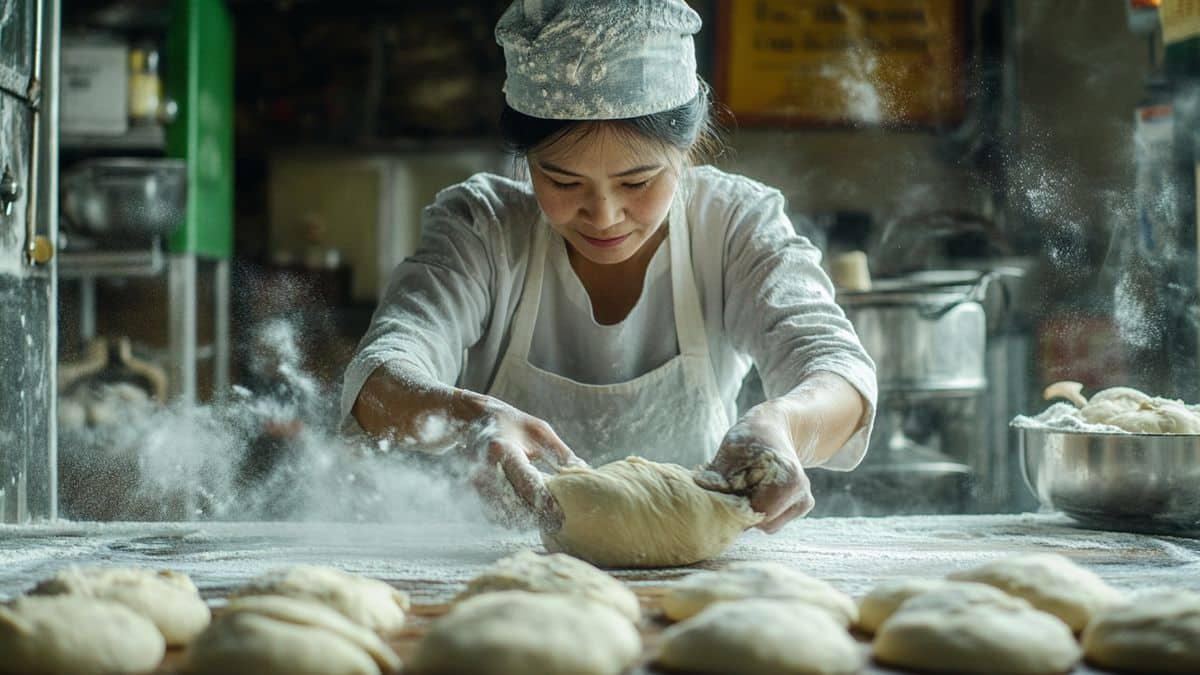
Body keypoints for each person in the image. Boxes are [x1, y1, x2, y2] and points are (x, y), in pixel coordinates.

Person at [343, 0, 876, 533]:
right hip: (497, 562)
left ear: (688, 150)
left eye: (638, 182)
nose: (604, 215)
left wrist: (781, 426)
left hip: (694, 566)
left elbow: (836, 369)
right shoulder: (482, 228)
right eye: (563, 182)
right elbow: (379, 378)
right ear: (525, 162)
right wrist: (473, 420)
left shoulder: (735, 225)